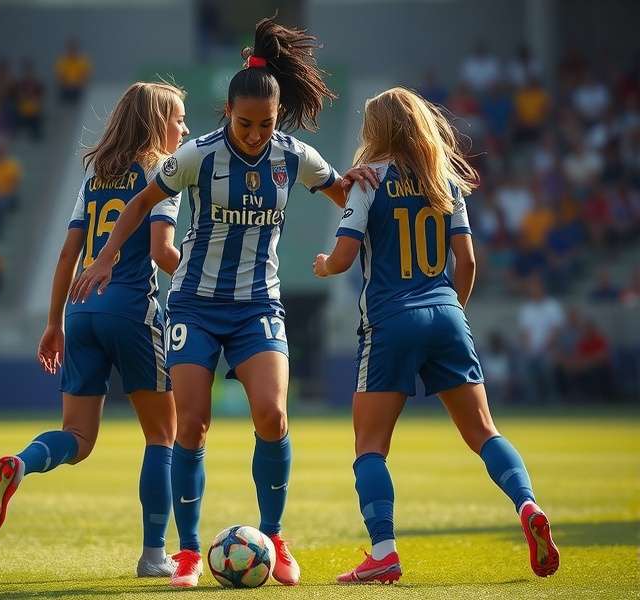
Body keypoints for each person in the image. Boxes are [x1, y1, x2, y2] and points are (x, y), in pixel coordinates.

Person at [69, 17, 378, 589]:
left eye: (264, 124)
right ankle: (188, 552)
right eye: (244, 122)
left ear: (277, 117)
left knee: (273, 414)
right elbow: (138, 205)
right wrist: (108, 254)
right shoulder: (195, 155)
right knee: (193, 424)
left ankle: (275, 537)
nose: (255, 133)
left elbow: (344, 196)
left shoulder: (294, 156)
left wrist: (358, 189)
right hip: (194, 305)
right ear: (227, 114)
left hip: (259, 305)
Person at [312, 87, 559, 583]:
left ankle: (383, 552)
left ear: (375, 131)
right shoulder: (443, 178)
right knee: (485, 432)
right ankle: (528, 505)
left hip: (389, 321)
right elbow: (465, 262)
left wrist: (321, 267)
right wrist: (449, 312)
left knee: (370, 446)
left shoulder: (368, 181)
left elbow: (342, 260)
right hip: (446, 314)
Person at [0, 81, 189, 578]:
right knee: (163, 435)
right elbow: (161, 251)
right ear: (158, 122)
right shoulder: (162, 172)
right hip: (132, 309)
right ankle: (154, 555)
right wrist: (206, 280)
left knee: (78, 436)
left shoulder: (94, 176)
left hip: (82, 312)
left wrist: (54, 323)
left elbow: (68, 256)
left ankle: (22, 464)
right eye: (179, 118)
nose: (185, 128)